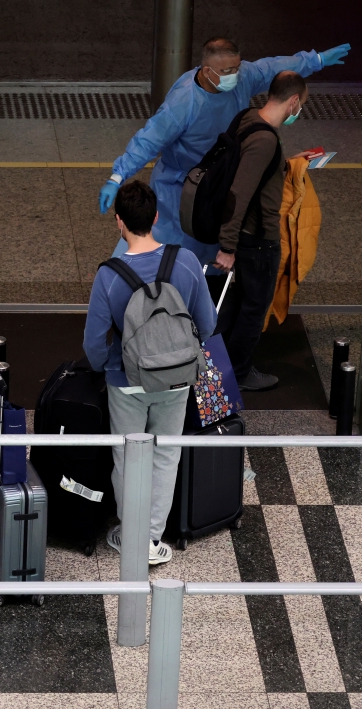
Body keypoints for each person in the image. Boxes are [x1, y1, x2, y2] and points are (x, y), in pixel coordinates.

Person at [98, 38, 350, 266]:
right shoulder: (183, 103)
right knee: (167, 255)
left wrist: (316, 60)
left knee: (212, 254)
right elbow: (148, 140)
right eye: (227, 71)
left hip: (218, 178)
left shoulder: (241, 78)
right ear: (207, 71)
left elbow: (273, 67)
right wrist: (117, 177)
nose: (234, 75)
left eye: (237, 68)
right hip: (180, 188)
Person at [84, 182, 216, 565]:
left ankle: (132, 535)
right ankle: (152, 540)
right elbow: (207, 324)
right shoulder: (187, 261)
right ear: (157, 217)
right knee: (166, 454)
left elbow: (94, 341)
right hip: (176, 379)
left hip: (126, 381)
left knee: (128, 457)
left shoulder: (110, 275)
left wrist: (106, 367)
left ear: (119, 222)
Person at [212, 72, 310, 392]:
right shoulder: (265, 140)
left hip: (247, 236)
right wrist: (227, 246)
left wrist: (289, 164)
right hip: (257, 241)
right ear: (293, 101)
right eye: (301, 105)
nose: (299, 111)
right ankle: (238, 375)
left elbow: (254, 173)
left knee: (239, 305)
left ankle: (222, 369)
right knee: (253, 311)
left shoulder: (248, 118)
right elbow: (239, 193)